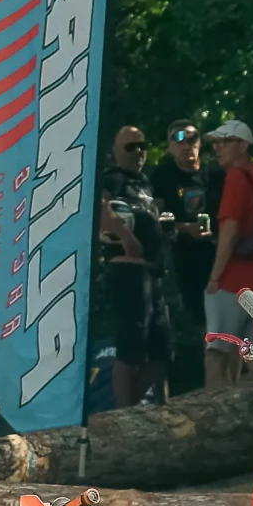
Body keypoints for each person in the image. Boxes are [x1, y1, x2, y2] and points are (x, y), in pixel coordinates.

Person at [202, 120, 253, 385]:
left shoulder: (236, 177)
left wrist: (214, 278)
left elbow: (230, 229)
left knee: (216, 352)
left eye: (225, 142)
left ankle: (214, 419)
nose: (217, 147)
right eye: (216, 142)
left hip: (235, 282)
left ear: (243, 145)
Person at [95, 123, 168, 406]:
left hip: (152, 269)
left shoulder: (145, 183)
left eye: (142, 146)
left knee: (162, 349)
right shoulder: (111, 179)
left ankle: (149, 406)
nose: (138, 152)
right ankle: (124, 412)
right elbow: (102, 213)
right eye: (130, 146)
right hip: (126, 267)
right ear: (116, 151)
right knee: (131, 345)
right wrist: (128, 240)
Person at [147, 119, 209, 391]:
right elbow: (156, 218)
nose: (187, 145)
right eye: (179, 139)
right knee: (197, 320)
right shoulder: (162, 176)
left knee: (226, 323)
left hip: (220, 254)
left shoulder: (213, 172)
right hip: (181, 259)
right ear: (170, 145)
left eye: (192, 138)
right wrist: (186, 229)